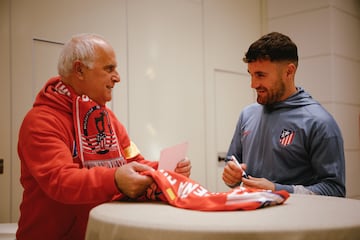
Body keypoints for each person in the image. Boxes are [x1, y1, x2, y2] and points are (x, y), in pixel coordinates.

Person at [16, 33, 191, 240]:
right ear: (79, 70)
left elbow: (133, 162)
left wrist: (164, 169)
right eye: (109, 69)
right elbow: (61, 180)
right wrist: (115, 179)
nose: (117, 77)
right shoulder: (42, 120)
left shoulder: (108, 119)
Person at [222, 32, 345, 197]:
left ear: (289, 72)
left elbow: (335, 190)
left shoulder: (319, 122)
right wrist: (232, 177)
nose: (253, 84)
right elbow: (232, 165)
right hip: (251, 220)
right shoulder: (247, 114)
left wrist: (277, 189)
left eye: (260, 75)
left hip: (297, 221)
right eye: (251, 74)